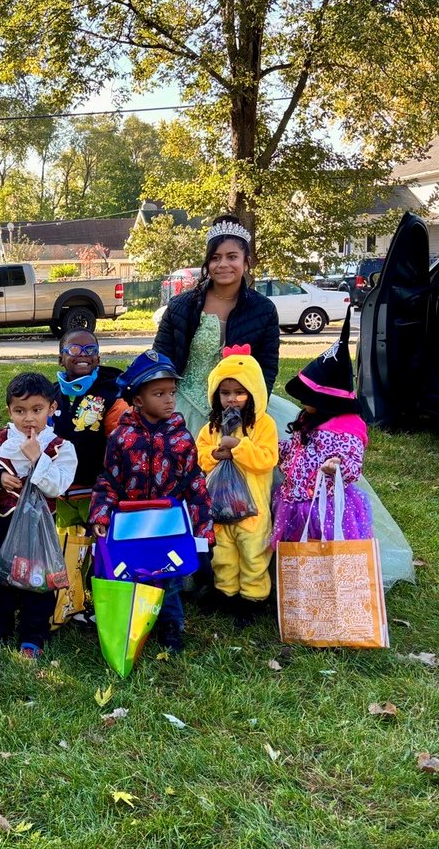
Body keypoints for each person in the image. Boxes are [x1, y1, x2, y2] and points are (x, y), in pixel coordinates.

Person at [89, 351, 214, 652]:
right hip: (132, 523)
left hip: (167, 523)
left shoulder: (182, 438)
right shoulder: (121, 437)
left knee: (167, 578)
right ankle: (133, 623)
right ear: (138, 400)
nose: (169, 400)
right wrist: (101, 515)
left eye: (172, 392)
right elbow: (109, 480)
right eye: (159, 393)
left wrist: (204, 527)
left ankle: (172, 626)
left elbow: (194, 483)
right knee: (132, 572)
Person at [0, 373, 78, 657]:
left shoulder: (61, 447)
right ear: (10, 411)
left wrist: (37, 458)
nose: (28, 418)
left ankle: (33, 634)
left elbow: (59, 483)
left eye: (36, 410)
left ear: (52, 408)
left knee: (37, 578)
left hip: (39, 528)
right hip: (4, 521)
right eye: (20, 411)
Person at [153, 215, 279, 436]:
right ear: (207, 263)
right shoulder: (181, 306)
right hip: (185, 404)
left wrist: (251, 412)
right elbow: (160, 360)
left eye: (232, 257)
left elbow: (267, 367)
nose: (223, 264)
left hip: (239, 402)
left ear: (246, 261)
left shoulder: (263, 309)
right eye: (215, 258)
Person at [272, 314, 373, 544]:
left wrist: (336, 465)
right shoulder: (310, 419)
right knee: (298, 545)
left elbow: (352, 464)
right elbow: (297, 449)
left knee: (323, 546)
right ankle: (301, 580)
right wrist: (273, 448)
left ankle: (326, 580)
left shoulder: (345, 429)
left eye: (307, 397)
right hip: (294, 497)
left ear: (326, 400)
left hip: (323, 503)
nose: (302, 402)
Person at [195, 347, 278, 625]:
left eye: (239, 392)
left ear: (253, 392)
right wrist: (214, 454)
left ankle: (253, 599)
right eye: (225, 392)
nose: (232, 399)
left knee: (254, 555)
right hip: (219, 506)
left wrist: (239, 447)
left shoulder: (264, 424)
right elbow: (199, 454)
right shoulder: (211, 426)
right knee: (223, 554)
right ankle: (226, 593)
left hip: (252, 510)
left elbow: (267, 458)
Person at [51, 329, 129, 529]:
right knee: (67, 548)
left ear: (98, 358)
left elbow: (121, 447)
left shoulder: (112, 395)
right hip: (59, 492)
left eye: (90, 349)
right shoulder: (49, 394)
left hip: (96, 493)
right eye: (75, 349)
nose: (83, 354)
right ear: (61, 359)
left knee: (98, 550)